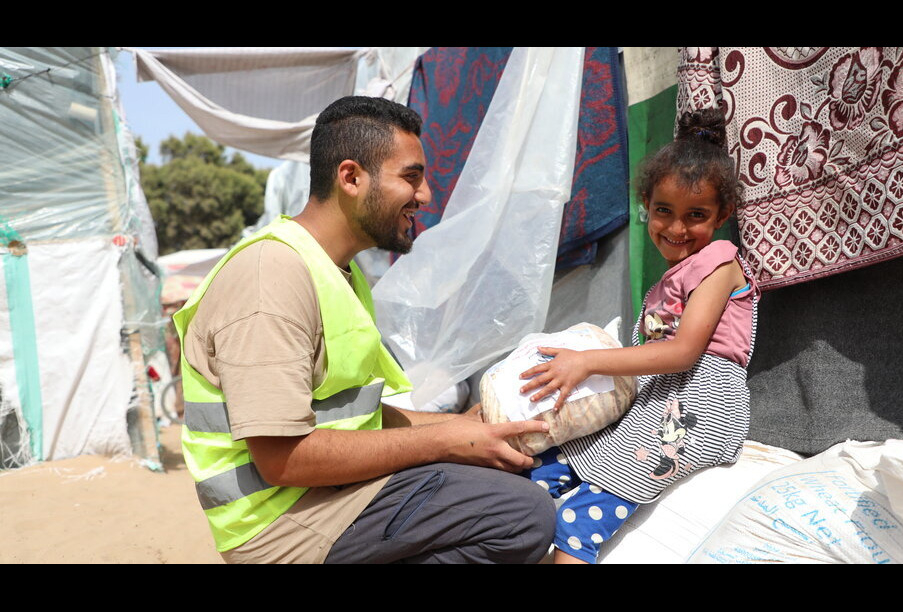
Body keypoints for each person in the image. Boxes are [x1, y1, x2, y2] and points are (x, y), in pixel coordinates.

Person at [172, 95, 556, 564]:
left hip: (323, 498)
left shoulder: (336, 272)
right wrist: (442, 440)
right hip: (282, 525)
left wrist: (465, 426)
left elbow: (355, 419)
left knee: (515, 474)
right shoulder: (270, 275)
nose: (426, 196)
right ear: (351, 177)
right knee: (520, 514)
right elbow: (282, 457)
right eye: (411, 176)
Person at [518, 107, 760, 564]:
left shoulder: (721, 265)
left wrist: (586, 361)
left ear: (722, 215)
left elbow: (685, 352)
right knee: (545, 469)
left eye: (696, 215)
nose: (676, 228)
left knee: (583, 518)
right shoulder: (669, 279)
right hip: (656, 401)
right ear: (646, 203)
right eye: (664, 211)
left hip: (696, 409)